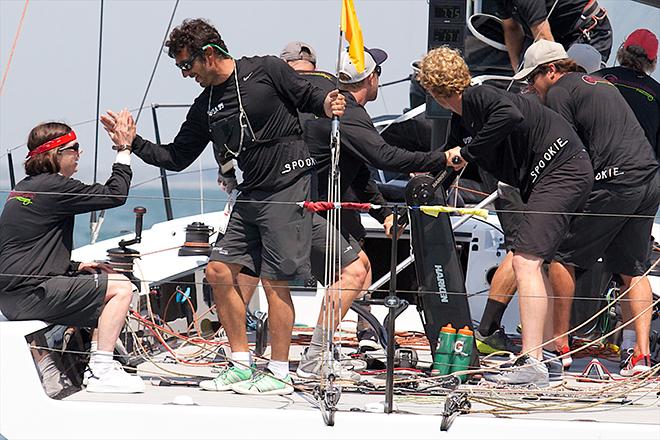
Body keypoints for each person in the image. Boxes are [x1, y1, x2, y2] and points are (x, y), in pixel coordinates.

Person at [101, 19, 345, 396]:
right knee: (218, 271)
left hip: (287, 185)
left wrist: (329, 102)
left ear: (209, 55)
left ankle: (279, 372)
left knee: (274, 281)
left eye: (187, 66)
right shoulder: (206, 105)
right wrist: (133, 143)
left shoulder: (265, 69)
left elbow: (310, 97)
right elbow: (177, 156)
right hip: (250, 193)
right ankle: (240, 364)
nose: (186, 75)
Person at [418, 46, 594, 387]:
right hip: (554, 175)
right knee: (534, 263)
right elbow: (449, 160)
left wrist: (467, 152)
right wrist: (424, 176)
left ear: (434, 93)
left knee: (524, 262)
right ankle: (545, 359)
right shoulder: (462, 119)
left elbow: (509, 117)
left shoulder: (481, 96)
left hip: (560, 170)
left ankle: (532, 362)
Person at [516, 39, 660, 376]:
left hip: (614, 180)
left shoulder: (558, 92)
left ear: (551, 70)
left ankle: (558, 345)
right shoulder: (596, 84)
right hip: (649, 178)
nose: (530, 87)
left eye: (531, 79)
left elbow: (563, 148)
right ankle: (640, 356)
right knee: (632, 267)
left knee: (562, 258)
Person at [0, 117, 145, 393]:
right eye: (75, 148)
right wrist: (123, 150)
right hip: (30, 296)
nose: (79, 155)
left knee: (100, 281)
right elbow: (115, 195)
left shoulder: (25, 187)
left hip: (12, 296)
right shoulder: (55, 186)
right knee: (121, 288)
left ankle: (98, 362)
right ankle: (102, 371)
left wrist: (76, 266)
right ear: (57, 154)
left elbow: (25, 249)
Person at [496, 0, 612, 73]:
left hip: (586, 33)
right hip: (554, 35)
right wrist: (517, 68)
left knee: (573, 89)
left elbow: (544, 37)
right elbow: (511, 28)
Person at [597, 29, 659, 159]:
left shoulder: (596, 78)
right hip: (637, 172)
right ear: (653, 61)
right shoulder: (657, 93)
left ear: (622, 50)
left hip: (591, 165)